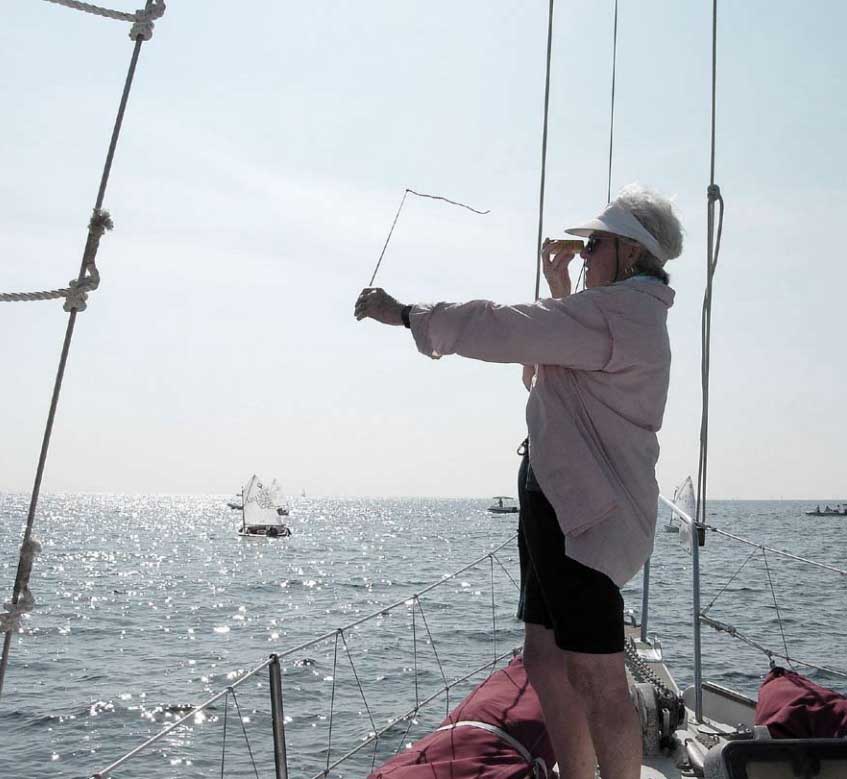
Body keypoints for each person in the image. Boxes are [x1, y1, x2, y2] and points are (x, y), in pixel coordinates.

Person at [354, 184, 683, 779]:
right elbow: (548, 372)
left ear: (631, 252)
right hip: (559, 500)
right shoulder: (610, 313)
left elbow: (502, 328)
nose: (584, 255)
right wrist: (560, 290)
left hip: (586, 516)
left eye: (595, 245)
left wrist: (404, 313)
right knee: (546, 658)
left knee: (596, 675)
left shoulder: (618, 313)